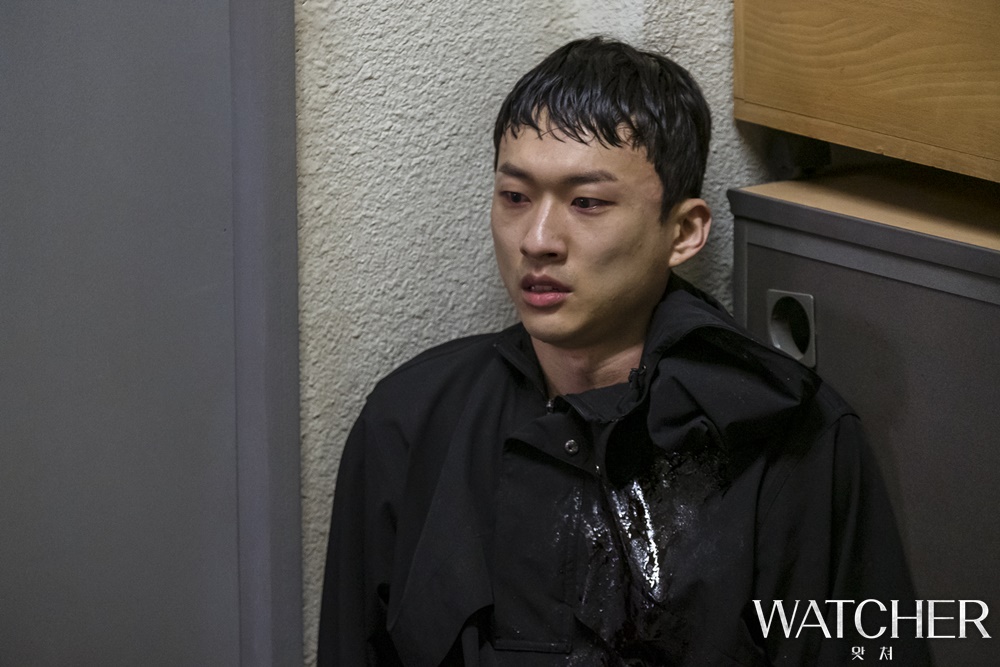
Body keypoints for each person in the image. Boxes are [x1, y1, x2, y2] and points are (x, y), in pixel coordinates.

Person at [318, 37, 927, 666]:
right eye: (515, 197)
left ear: (683, 232)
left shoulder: (788, 437)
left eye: (587, 202)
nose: (538, 239)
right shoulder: (411, 420)